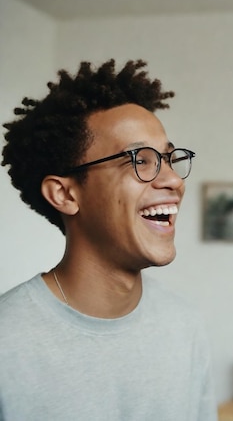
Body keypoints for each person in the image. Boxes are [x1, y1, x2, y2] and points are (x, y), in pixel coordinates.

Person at [0, 59, 217, 420]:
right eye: (140, 160)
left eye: (167, 158)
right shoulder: (7, 343)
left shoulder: (185, 326)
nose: (175, 181)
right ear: (65, 195)